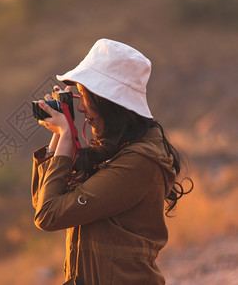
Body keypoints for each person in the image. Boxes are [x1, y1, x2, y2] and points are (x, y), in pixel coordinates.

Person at [31, 38, 193, 284]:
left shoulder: (139, 162)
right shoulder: (116, 151)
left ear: (109, 104)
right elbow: (43, 200)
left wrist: (66, 135)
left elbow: (49, 215)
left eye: (86, 97)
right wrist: (58, 138)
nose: (82, 109)